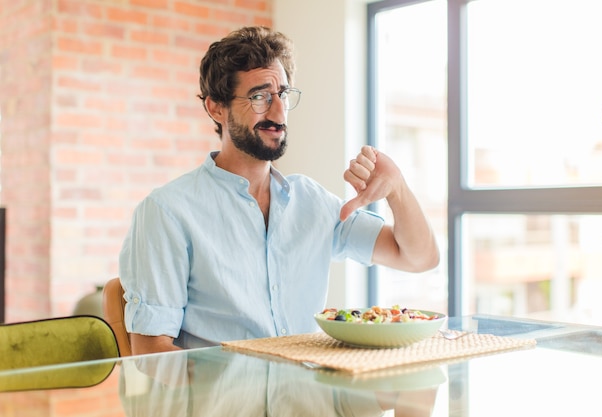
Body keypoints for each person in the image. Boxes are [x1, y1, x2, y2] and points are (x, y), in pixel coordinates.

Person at [118, 26, 439, 355]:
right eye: (259, 96)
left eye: (283, 95)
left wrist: (396, 188)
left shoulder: (311, 202)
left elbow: (419, 258)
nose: (279, 112)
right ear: (216, 108)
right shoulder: (167, 211)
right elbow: (151, 354)